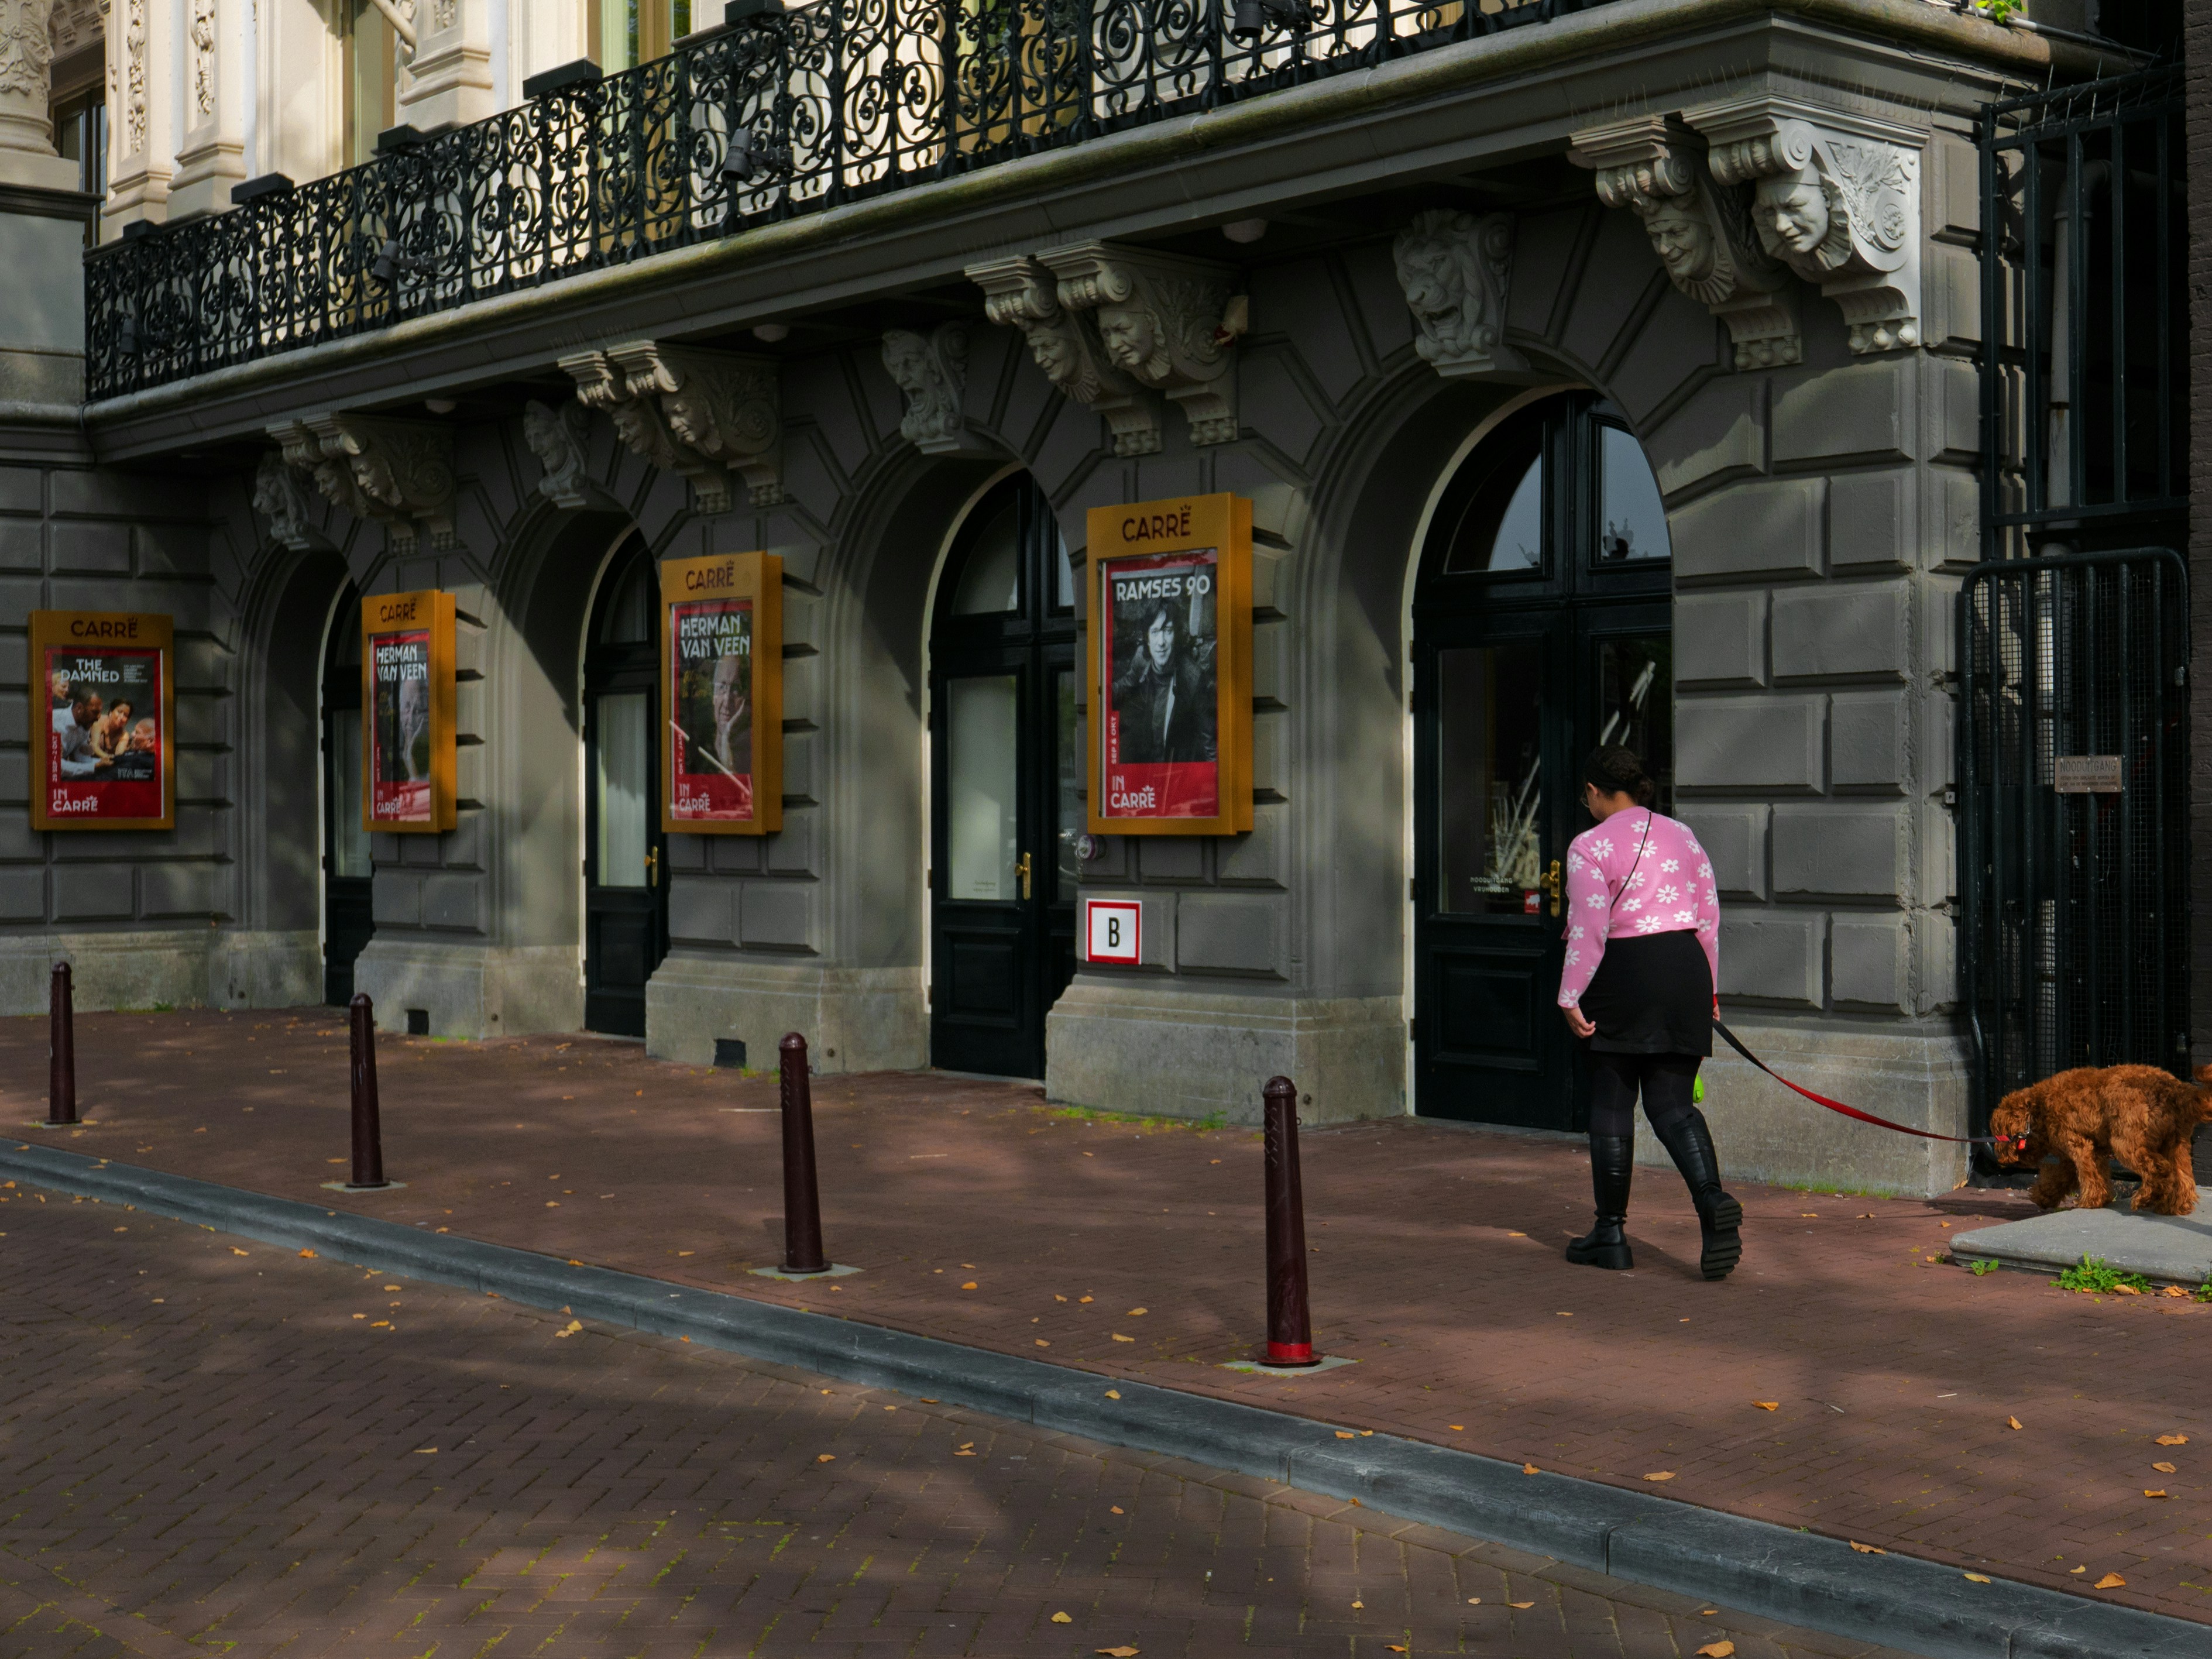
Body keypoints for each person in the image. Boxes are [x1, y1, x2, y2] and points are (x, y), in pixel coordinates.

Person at [1555, 745, 1742, 1280]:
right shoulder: (1683, 835)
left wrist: (1569, 995)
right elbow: (1709, 919)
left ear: (1594, 791)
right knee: (1673, 1105)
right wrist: (1708, 991)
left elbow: (1590, 927)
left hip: (1623, 972)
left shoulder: (1589, 845)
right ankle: (1711, 1199)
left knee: (1612, 1101)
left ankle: (1610, 1234)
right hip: (1685, 968)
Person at [1112, 602, 1215, 765]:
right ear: (1147, 638)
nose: (1161, 642)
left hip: (1175, 771)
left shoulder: (1193, 679)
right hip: (1146, 766)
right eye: (1155, 632)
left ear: (1176, 636)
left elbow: (1210, 745)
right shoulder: (1142, 659)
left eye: (1168, 631)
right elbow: (1125, 684)